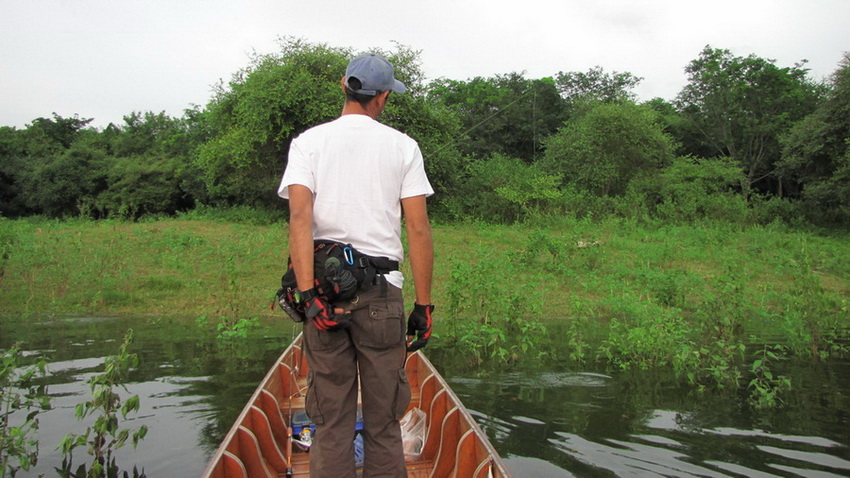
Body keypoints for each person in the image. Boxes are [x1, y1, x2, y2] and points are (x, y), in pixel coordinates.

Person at [277, 52, 435, 478]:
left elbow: (299, 218)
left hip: (324, 297)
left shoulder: (307, 143)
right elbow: (418, 231)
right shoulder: (404, 146)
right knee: (384, 423)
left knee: (330, 423)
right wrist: (423, 306)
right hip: (384, 296)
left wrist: (308, 296)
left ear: (343, 86)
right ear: (381, 97)